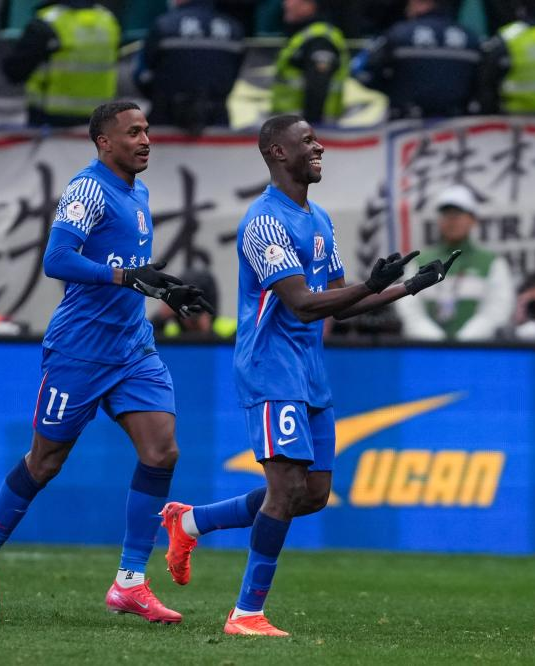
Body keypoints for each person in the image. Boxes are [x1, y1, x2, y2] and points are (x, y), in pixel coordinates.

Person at [157, 114, 460, 636]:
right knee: (283, 489)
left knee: (313, 493)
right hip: (270, 366)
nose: (319, 147)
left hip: (309, 370)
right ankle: (246, 614)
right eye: (307, 141)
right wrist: (371, 285)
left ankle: (190, 522)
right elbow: (299, 303)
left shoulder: (319, 219)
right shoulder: (264, 223)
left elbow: (340, 302)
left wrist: (409, 287)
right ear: (278, 152)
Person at [0, 101, 212, 625]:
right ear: (104, 142)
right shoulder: (88, 189)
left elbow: (130, 269)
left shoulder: (139, 192)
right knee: (45, 462)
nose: (145, 140)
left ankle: (130, 581)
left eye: (147, 130)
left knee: (162, 451)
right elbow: (56, 259)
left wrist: (162, 289)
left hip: (133, 348)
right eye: (133, 132)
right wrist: (125, 278)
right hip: (79, 350)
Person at [395, 184, 514, 341]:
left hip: (477, 350)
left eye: (457, 214)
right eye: (446, 214)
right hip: (426, 350)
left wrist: (463, 342)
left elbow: (497, 310)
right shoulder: (419, 261)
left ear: (473, 220)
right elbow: (409, 310)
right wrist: (435, 341)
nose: (451, 220)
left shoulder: (492, 262)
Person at [354, 0, 481, 119]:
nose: (406, 9)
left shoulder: (398, 34)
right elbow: (482, 82)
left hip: (405, 123)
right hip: (459, 123)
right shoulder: (471, 39)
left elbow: (364, 72)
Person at [2, 1, 120, 127]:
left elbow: (14, 72)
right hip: (98, 121)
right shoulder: (108, 20)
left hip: (50, 122)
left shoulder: (47, 24)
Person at [133, 0, 245, 132]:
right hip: (216, 120)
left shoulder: (164, 25)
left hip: (165, 119)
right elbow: (235, 73)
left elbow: (141, 73)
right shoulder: (234, 29)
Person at [271, 0, 350, 125]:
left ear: (309, 5)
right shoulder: (303, 34)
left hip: (310, 127)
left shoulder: (320, 38)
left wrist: (309, 131)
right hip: (293, 126)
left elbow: (318, 88)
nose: (286, 4)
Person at [154, 267, 236, 339]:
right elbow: (148, 340)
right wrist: (161, 318)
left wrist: (208, 333)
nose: (190, 319)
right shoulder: (171, 332)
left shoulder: (231, 331)